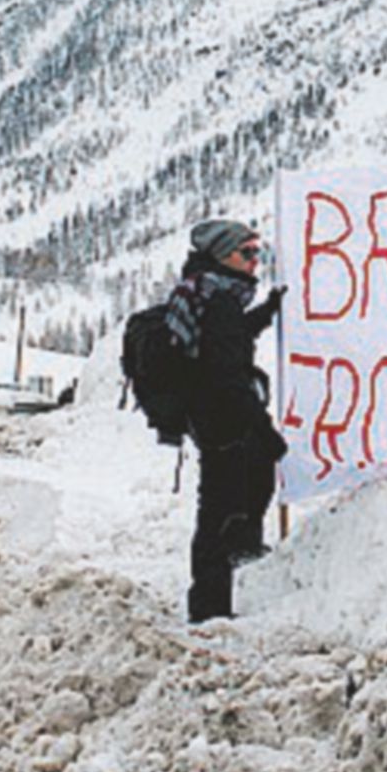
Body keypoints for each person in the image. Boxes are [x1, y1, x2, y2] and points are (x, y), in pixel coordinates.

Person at [168, 219, 287, 624]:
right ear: (223, 257)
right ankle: (209, 610)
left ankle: (219, 586)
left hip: (213, 419)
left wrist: (266, 312)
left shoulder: (211, 291)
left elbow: (227, 338)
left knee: (223, 506)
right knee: (219, 516)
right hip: (225, 422)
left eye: (258, 252)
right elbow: (227, 371)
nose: (255, 261)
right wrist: (265, 429)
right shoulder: (220, 300)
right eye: (247, 253)